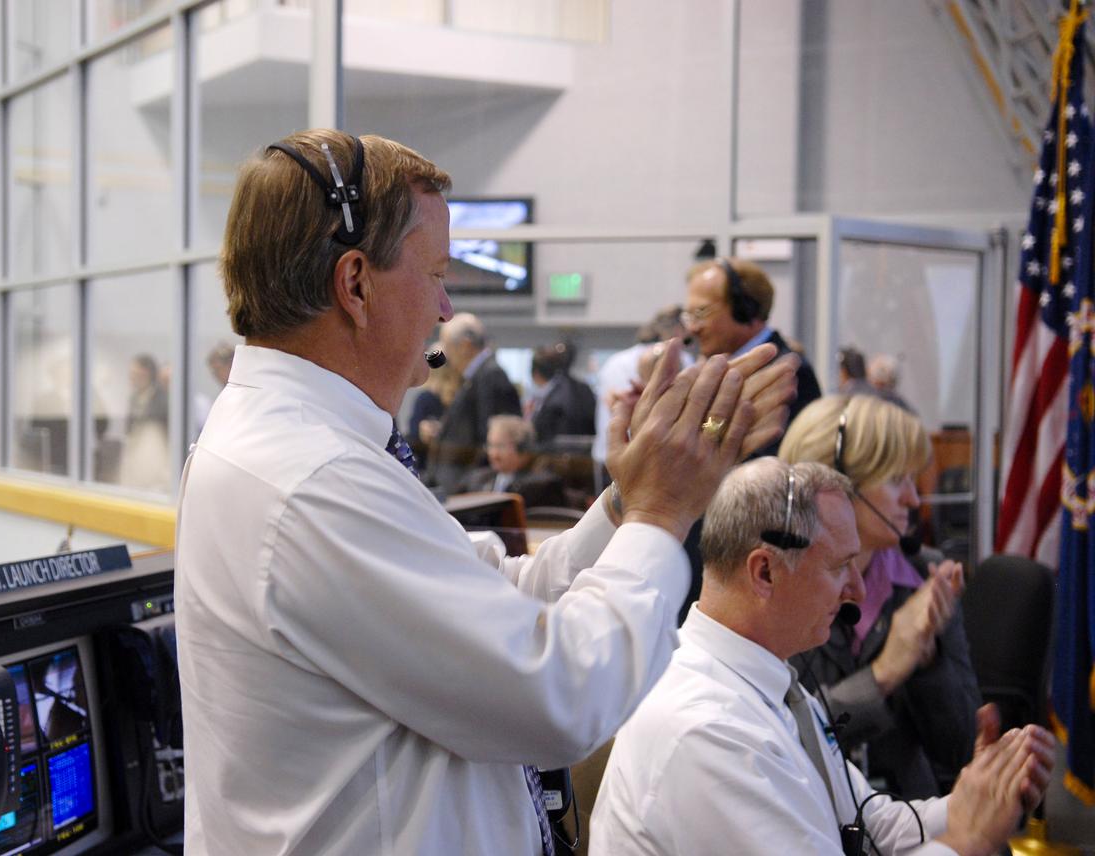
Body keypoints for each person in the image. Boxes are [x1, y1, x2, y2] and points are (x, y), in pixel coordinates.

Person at [174, 128, 797, 855]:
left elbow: (496, 592)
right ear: (355, 283)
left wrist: (628, 501)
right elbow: (560, 696)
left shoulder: (301, 445)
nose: (443, 309)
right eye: (436, 273)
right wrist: (663, 514)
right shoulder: (312, 481)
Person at [590, 458, 1055, 856]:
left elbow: (865, 819)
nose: (855, 589)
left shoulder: (771, 684)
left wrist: (966, 801)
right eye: (838, 567)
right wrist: (963, 840)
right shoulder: (708, 730)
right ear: (765, 572)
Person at [779, 393, 979, 797]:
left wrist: (929, 661)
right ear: (835, 484)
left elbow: (962, 750)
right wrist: (883, 674)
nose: (913, 498)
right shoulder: (777, 582)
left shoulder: (925, 575)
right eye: (895, 479)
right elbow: (778, 741)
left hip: (907, 812)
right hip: (806, 814)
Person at [683, 256, 821, 458]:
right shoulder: (714, 367)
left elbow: (769, 458)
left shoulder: (787, 371)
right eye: (689, 316)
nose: (693, 328)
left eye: (701, 312)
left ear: (745, 308)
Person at [426, 311, 522, 493]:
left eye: (448, 348)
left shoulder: (490, 376)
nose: (447, 357)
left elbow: (489, 439)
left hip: (465, 487)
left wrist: (469, 484)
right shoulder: (480, 376)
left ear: (465, 346)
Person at [593, 306, 690, 480]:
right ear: (678, 331)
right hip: (643, 458)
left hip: (610, 456)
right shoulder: (678, 358)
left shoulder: (615, 361)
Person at [456, 415, 566, 508]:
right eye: (490, 445)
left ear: (522, 449)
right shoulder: (477, 479)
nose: (493, 454)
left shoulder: (542, 486)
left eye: (500, 446)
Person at [528, 341, 597, 446]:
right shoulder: (583, 389)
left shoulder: (553, 395)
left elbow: (540, 431)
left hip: (558, 454)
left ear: (535, 373)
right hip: (585, 452)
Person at [119, 352, 170, 489]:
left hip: (158, 464)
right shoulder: (134, 398)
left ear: (146, 373)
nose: (131, 377)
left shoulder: (162, 399)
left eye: (134, 373)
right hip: (135, 461)